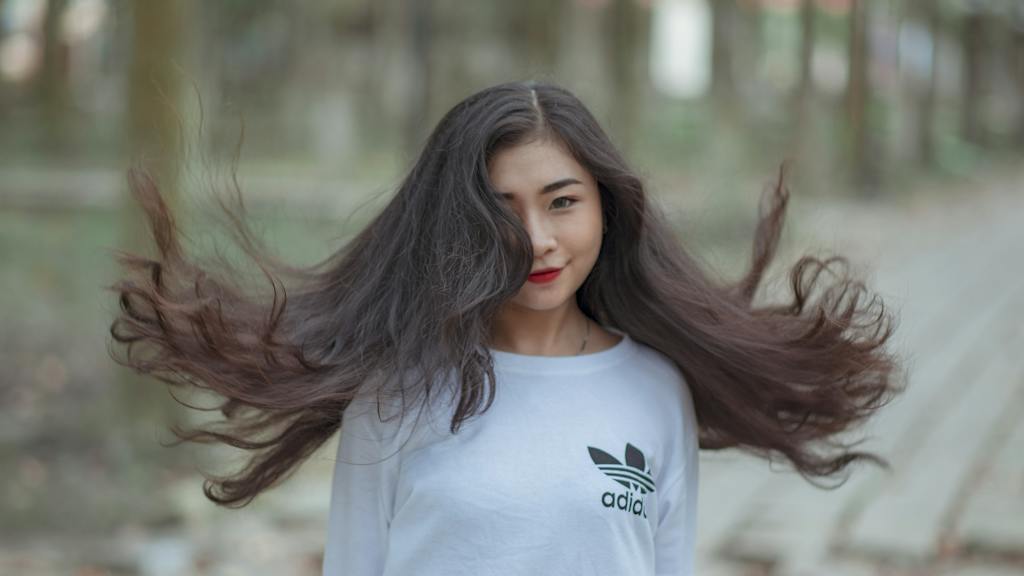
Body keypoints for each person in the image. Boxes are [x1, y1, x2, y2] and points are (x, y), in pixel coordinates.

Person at [108, 80, 905, 576]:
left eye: (562, 201)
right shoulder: (394, 396)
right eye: (500, 211)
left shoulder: (656, 390)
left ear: (607, 205)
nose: (537, 241)